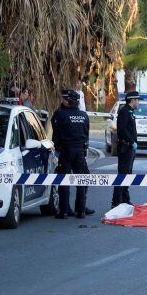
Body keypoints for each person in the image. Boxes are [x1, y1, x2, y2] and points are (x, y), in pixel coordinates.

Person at [51, 90, 94, 219]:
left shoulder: (60, 114)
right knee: (81, 180)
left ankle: (64, 211)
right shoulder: (84, 115)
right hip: (80, 151)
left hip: (66, 151)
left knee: (64, 180)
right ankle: (80, 210)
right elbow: (86, 133)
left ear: (68, 101)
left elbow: (56, 134)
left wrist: (58, 146)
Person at [111, 91, 140, 208]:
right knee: (122, 175)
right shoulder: (124, 111)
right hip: (125, 147)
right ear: (132, 100)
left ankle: (125, 199)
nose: (139, 102)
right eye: (137, 100)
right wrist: (131, 141)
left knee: (127, 174)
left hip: (130, 148)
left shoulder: (130, 111)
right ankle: (116, 202)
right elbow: (122, 130)